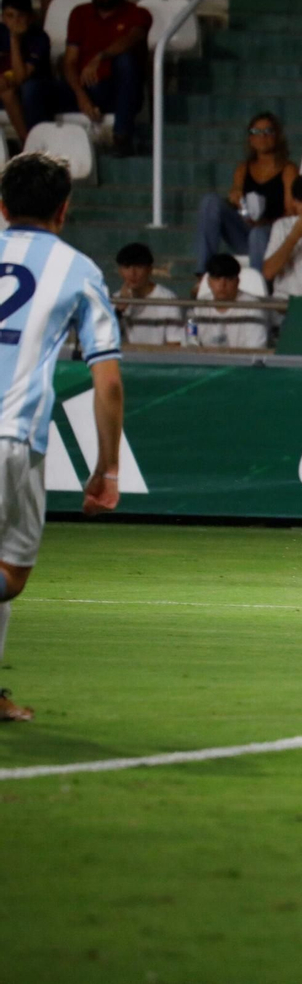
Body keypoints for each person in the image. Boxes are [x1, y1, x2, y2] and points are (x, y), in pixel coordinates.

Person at [0, 152, 123, 723]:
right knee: (11, 576)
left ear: (3, 206)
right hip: (12, 434)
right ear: (64, 210)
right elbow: (108, 382)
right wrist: (107, 468)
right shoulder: (77, 270)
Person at [57, 0, 148, 157]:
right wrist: (81, 95)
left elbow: (133, 37)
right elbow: (70, 61)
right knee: (34, 90)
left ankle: (122, 137)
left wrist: (100, 56)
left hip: (115, 91)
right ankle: (34, 148)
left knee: (125, 60)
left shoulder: (138, 13)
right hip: (82, 89)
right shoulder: (79, 14)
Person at [195, 112, 296, 275]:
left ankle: (259, 284)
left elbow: (291, 213)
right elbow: (239, 203)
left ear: (277, 136)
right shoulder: (243, 168)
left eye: (268, 131)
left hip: (273, 235)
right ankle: (203, 273)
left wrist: (263, 223)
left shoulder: (288, 170)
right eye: (256, 132)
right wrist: (236, 202)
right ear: (250, 139)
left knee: (258, 233)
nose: (262, 136)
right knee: (210, 201)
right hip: (246, 231)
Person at [0, 0, 50, 144]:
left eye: (20, 16)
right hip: (4, 85)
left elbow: (21, 78)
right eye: (10, 16)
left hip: (29, 91)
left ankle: (27, 143)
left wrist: (14, 39)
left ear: (31, 17)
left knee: (9, 93)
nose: (15, 21)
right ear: (2, 17)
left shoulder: (39, 38)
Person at [193, 254, 269, 350]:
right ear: (209, 282)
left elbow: (256, 349)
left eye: (229, 279)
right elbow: (191, 344)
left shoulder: (253, 307)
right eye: (217, 278)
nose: (222, 284)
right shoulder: (198, 307)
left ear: (237, 281)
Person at [113, 241, 180, 345]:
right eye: (127, 267)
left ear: (149, 269)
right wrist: (119, 311)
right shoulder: (115, 301)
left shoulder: (168, 300)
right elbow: (105, 342)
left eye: (139, 267)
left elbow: (175, 344)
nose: (132, 273)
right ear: (120, 271)